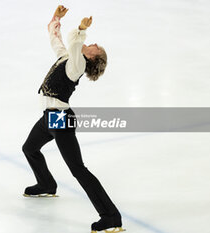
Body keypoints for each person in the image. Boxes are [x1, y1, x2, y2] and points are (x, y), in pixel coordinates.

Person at [22, 5, 125, 233]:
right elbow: (56, 39)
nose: (90, 44)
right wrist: (56, 18)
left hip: (60, 118)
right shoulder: (68, 58)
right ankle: (46, 184)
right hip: (50, 117)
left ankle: (111, 216)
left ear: (91, 57)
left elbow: (74, 42)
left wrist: (80, 29)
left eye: (93, 47)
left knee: (78, 169)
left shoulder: (77, 64)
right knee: (29, 148)